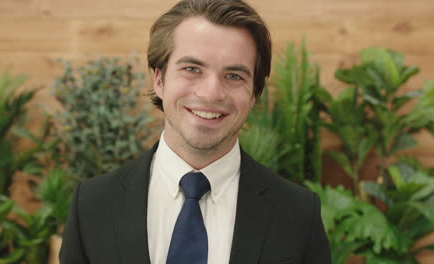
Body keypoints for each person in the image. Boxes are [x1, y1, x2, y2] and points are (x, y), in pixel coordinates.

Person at [59, 0, 332, 263]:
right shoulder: (92, 205)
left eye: (234, 76)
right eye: (192, 69)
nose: (211, 92)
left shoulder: (298, 214)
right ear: (159, 79)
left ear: (254, 95)